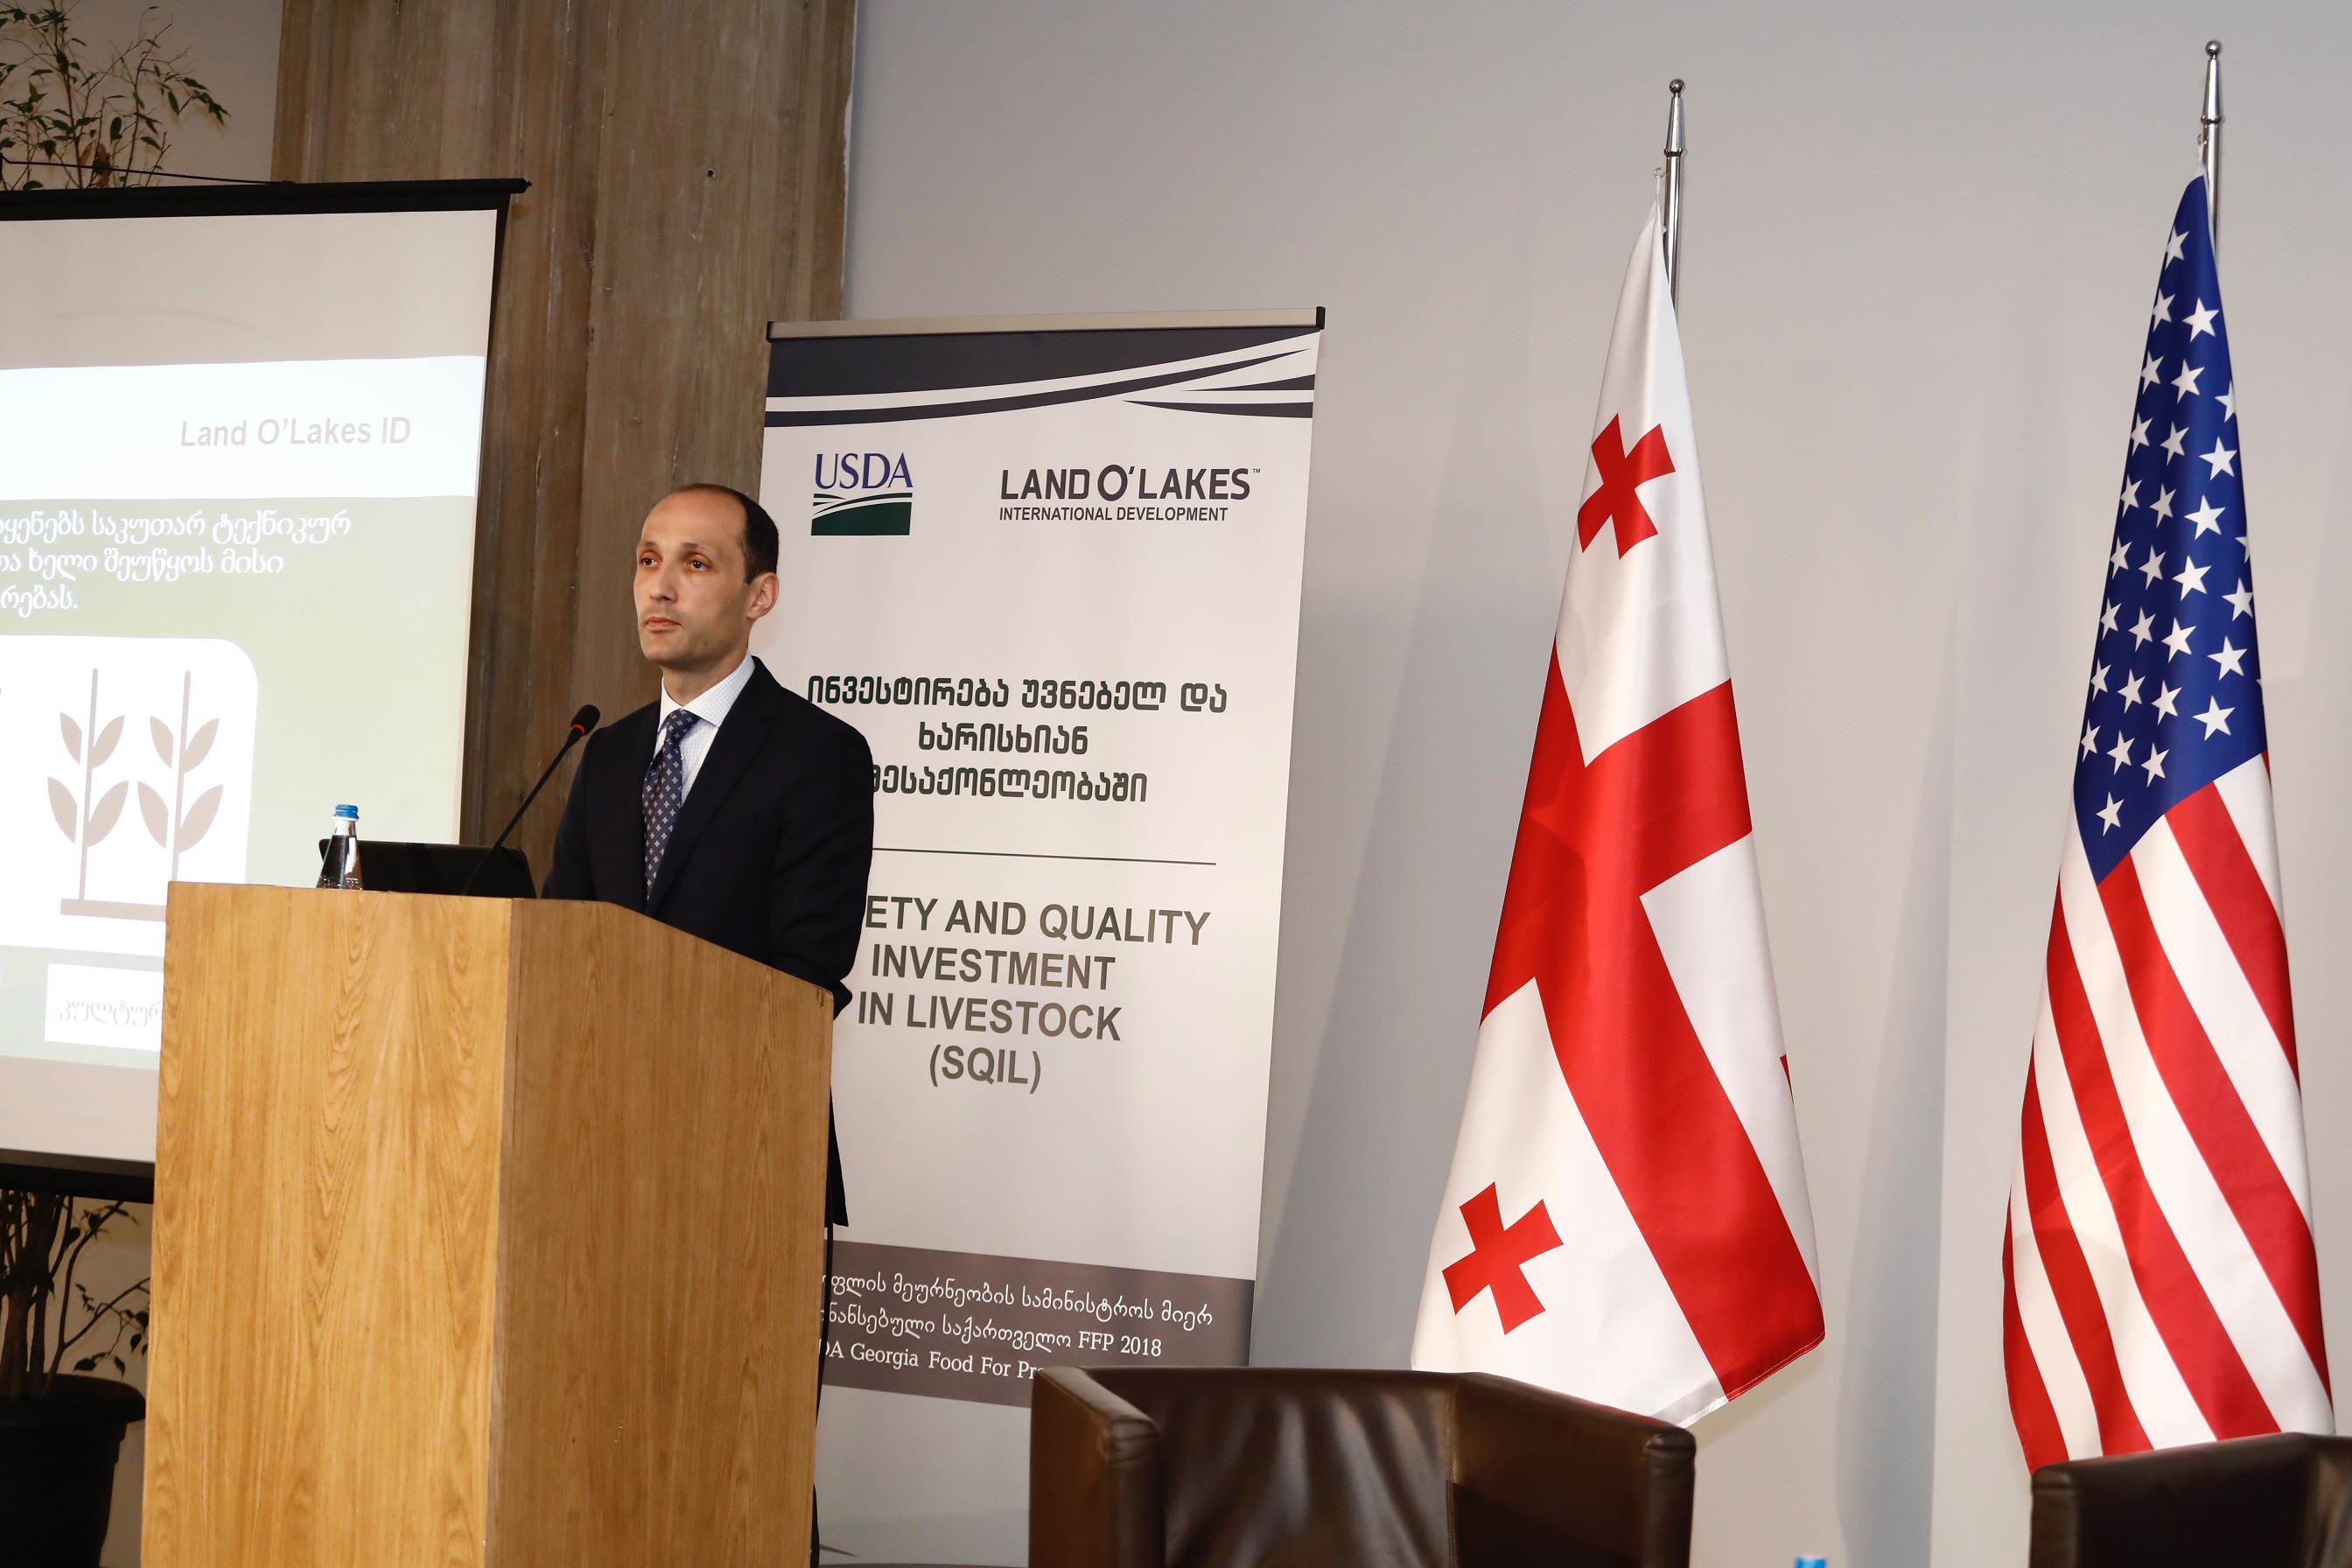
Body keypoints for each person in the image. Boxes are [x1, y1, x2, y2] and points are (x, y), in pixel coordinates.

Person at [544, 482, 870, 1223]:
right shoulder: (607, 753)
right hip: (592, 1141)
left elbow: (807, 969)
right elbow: (563, 939)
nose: (659, 588)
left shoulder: (819, 754)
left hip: (743, 1147)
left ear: (760, 595)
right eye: (648, 560)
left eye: (695, 564)